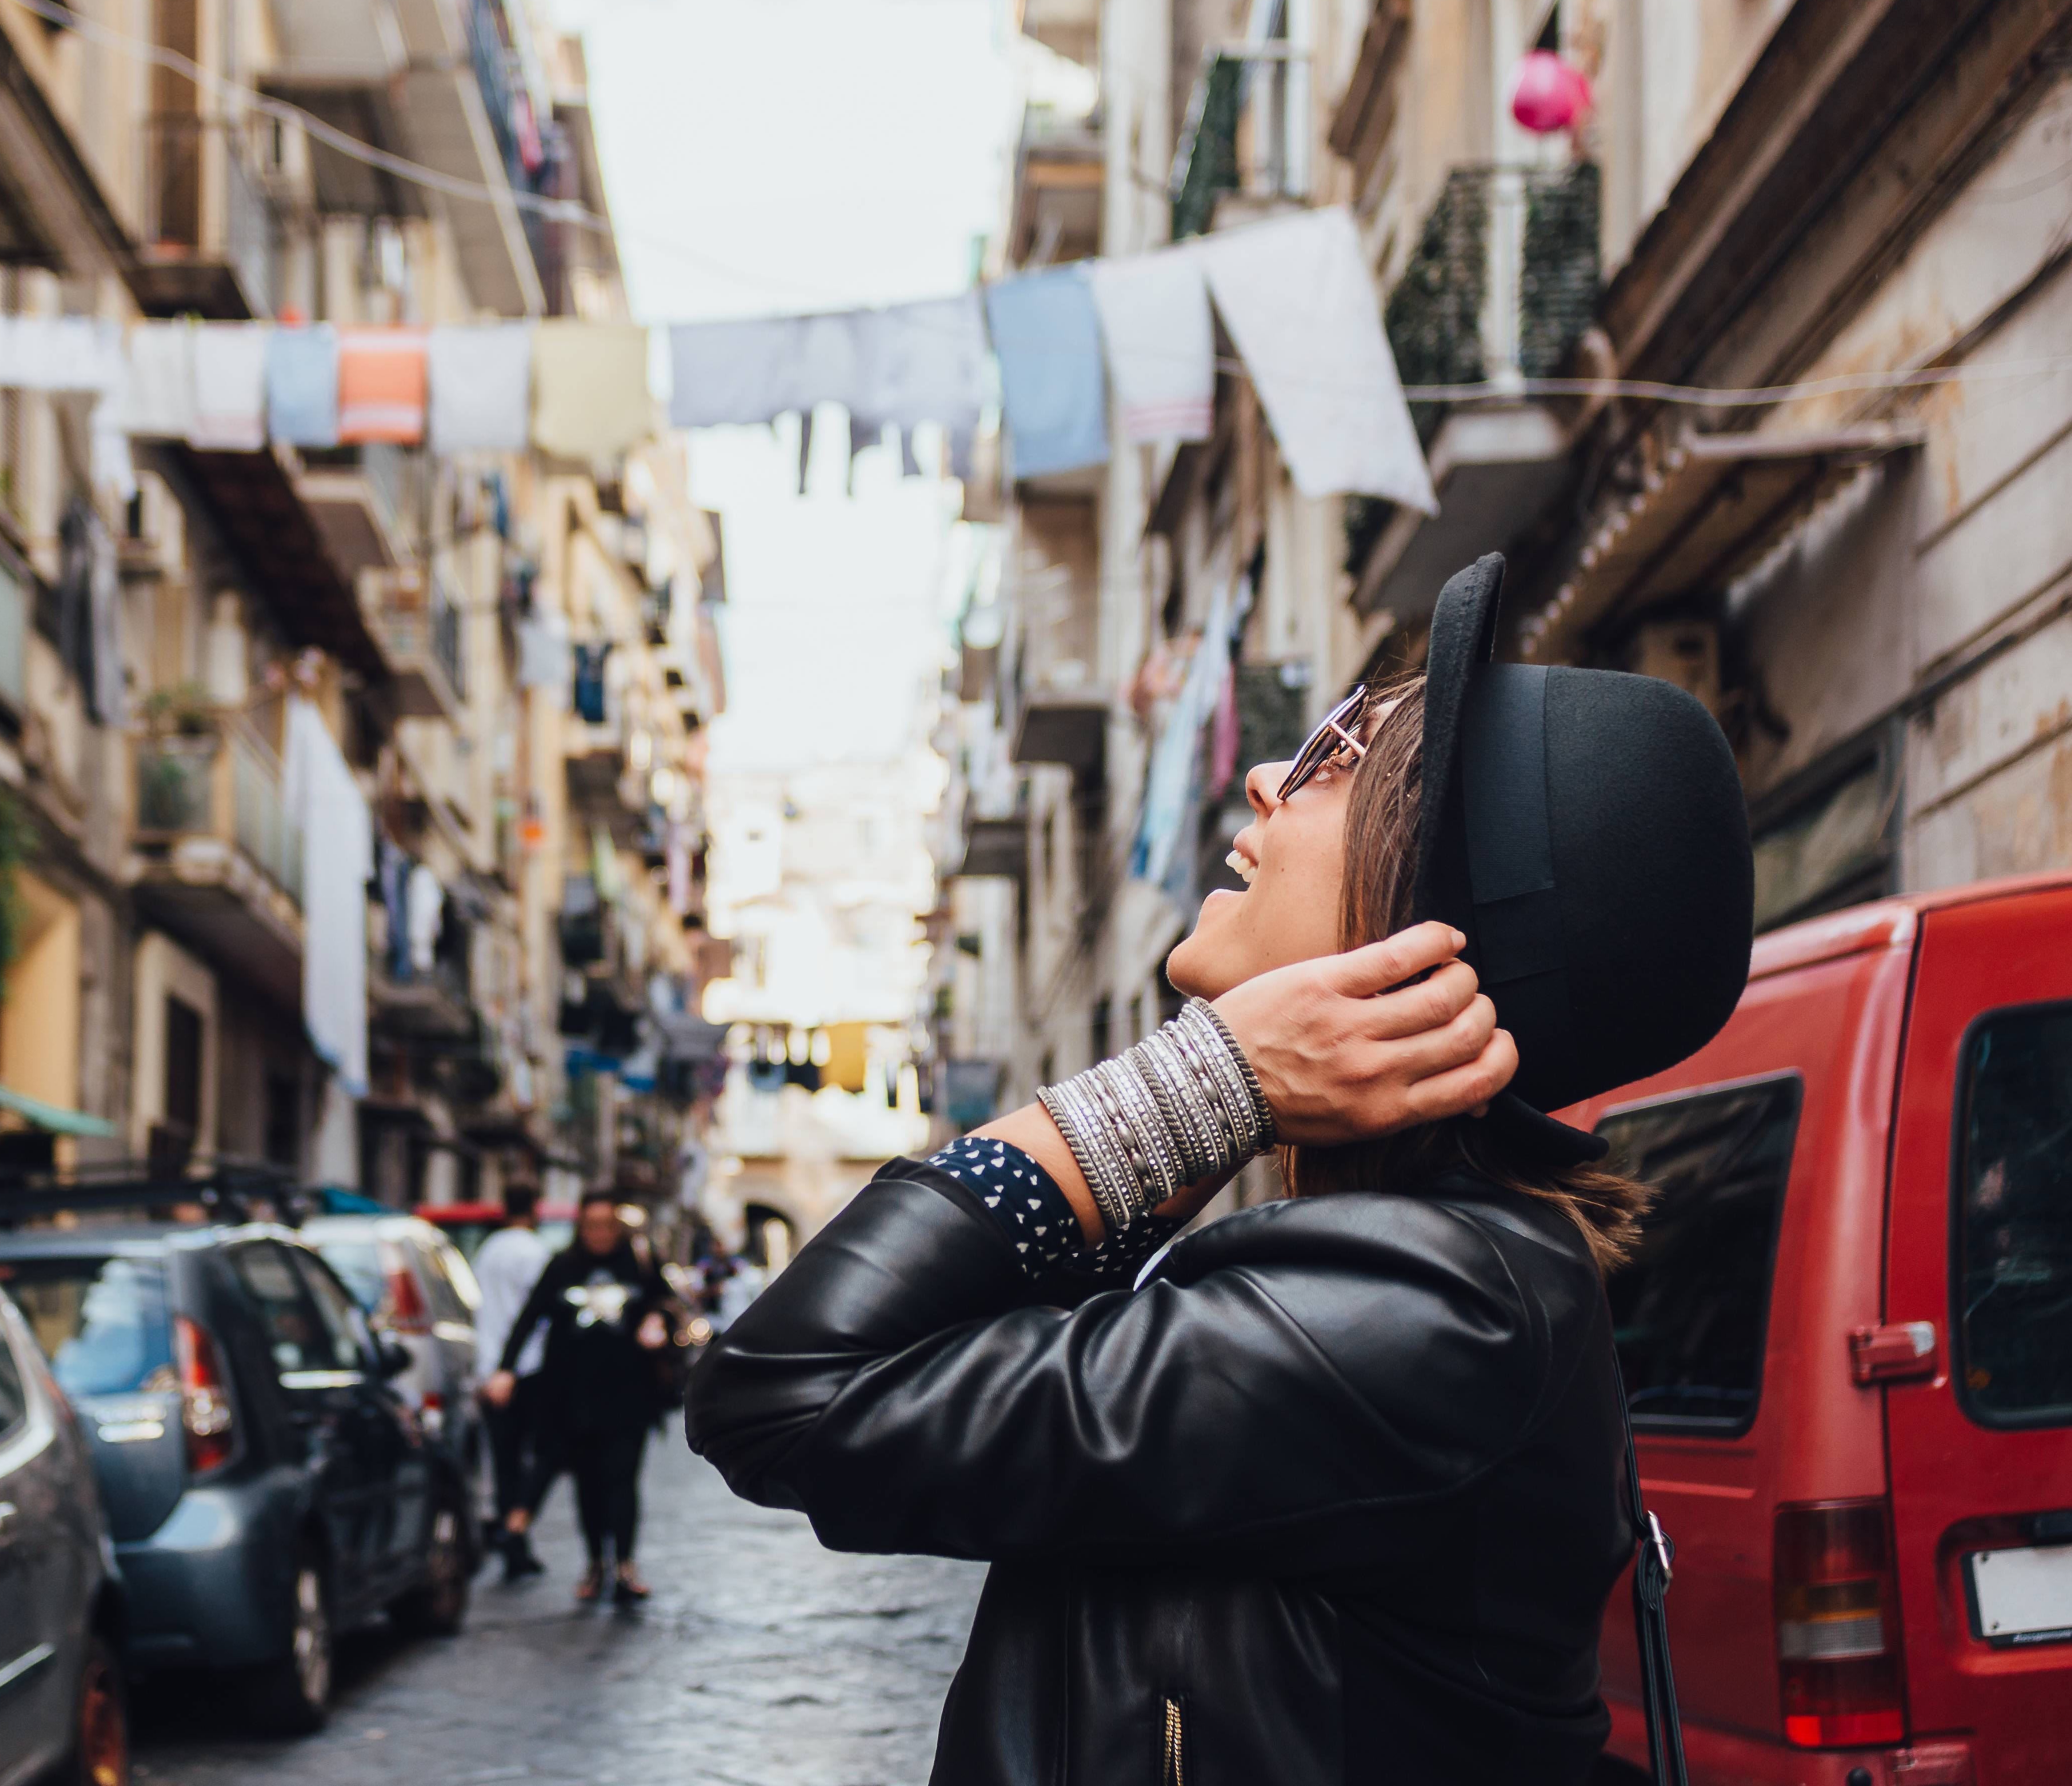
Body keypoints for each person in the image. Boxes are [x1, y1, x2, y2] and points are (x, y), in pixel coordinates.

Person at [688, 554, 1754, 1784]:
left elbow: (783, 1394)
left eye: (1336, 756)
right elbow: (961, 1354)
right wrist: (1217, 1115)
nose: (1264, 776)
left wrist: (1200, 1088)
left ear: (1424, 915)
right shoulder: (1430, 1275)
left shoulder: (1433, 1307)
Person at [485, 1189, 676, 1608]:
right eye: (591, 1225)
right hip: (572, 1399)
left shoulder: (639, 1263)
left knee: (622, 1479)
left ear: (618, 1227)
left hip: (628, 1396)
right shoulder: (563, 1266)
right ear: (580, 1227)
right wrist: (506, 1368)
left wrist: (657, 1319)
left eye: (607, 1225)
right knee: (588, 1485)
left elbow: (667, 1303)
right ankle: (595, 1565)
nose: (599, 1233)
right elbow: (529, 1317)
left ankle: (625, 1565)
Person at [467, 1180, 555, 1580]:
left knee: (505, 1460)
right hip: (529, 1367)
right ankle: (515, 1534)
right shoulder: (535, 1252)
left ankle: (514, 1543)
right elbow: (540, 1313)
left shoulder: (488, 1251)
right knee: (543, 1453)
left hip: (490, 1368)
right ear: (535, 1207)